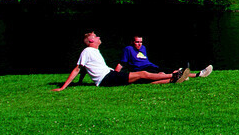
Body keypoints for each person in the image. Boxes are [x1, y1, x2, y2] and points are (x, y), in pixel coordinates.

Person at [53, 32, 189, 91]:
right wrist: (63, 87)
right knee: (142, 74)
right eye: (96, 36)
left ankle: (174, 79)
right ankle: (174, 75)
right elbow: (78, 69)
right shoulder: (87, 51)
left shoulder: (93, 52)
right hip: (106, 79)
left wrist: (80, 82)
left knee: (142, 79)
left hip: (110, 75)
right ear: (92, 41)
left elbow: (84, 69)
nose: (99, 37)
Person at [116, 36, 212, 79]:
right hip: (142, 69)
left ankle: (193, 74)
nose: (139, 44)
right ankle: (197, 75)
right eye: (137, 42)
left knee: (169, 69)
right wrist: (114, 75)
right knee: (167, 72)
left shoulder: (143, 48)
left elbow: (146, 60)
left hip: (152, 66)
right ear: (132, 42)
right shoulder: (128, 49)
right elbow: (122, 63)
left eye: (140, 42)